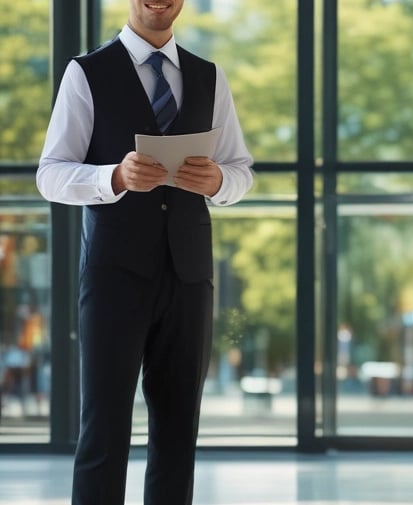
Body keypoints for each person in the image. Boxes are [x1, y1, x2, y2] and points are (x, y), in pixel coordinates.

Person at [36, 1, 253, 503]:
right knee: (104, 432)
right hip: (115, 277)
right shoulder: (86, 73)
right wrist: (112, 176)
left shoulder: (209, 76)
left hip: (190, 276)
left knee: (179, 433)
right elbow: (50, 173)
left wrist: (220, 180)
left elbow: (240, 169)